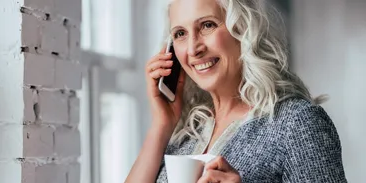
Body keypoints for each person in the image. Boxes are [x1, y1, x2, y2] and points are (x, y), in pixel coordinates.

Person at [126, 0, 347, 182]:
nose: (193, 49)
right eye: (180, 33)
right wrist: (162, 125)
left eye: (207, 25)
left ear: (241, 29)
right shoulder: (187, 135)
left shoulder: (297, 123)